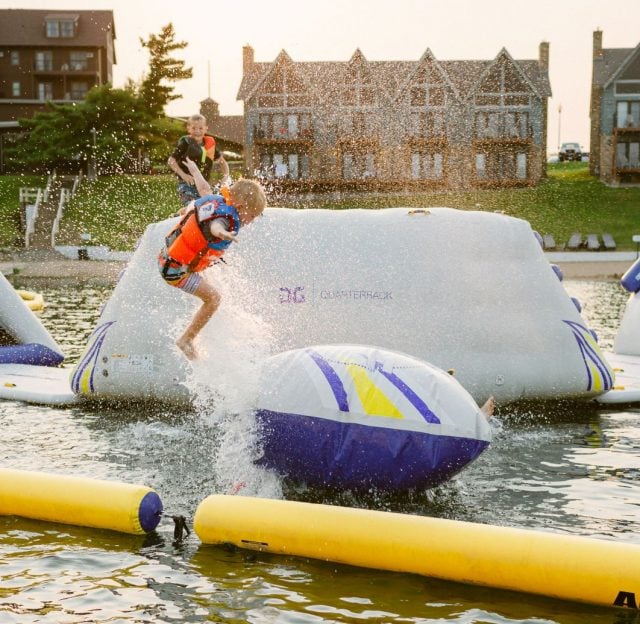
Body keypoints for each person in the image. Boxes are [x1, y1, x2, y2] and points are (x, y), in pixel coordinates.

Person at [158, 157, 267, 360]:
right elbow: (215, 227)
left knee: (194, 206)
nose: (250, 222)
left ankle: (182, 211)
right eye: (252, 217)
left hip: (169, 258)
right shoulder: (223, 219)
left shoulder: (219, 202)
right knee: (214, 299)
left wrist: (195, 171)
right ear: (241, 207)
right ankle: (187, 339)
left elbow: (204, 190)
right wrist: (223, 234)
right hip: (176, 272)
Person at [167, 114, 231, 206]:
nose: (197, 131)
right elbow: (171, 160)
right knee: (192, 205)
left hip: (203, 186)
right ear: (188, 128)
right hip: (186, 185)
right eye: (194, 128)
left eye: (200, 128)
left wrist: (226, 176)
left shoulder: (209, 145)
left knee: (207, 207)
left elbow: (222, 162)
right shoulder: (185, 143)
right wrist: (184, 175)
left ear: (206, 128)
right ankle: (180, 216)